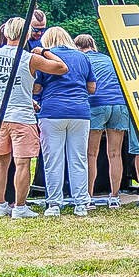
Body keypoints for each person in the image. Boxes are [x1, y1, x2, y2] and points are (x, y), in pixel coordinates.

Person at [0, 17, 63, 218]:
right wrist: (44, 51)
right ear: (26, 34)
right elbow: (61, 68)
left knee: (1, 160)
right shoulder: (28, 58)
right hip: (22, 115)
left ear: (6, 33)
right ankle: (20, 206)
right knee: (22, 163)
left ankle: (0, 205)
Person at [32, 25, 96, 214]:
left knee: (53, 160)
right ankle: (81, 204)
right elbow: (92, 87)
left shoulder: (46, 57)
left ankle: (53, 204)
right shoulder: (83, 57)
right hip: (80, 112)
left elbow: (36, 89)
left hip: (52, 112)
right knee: (78, 159)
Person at [82, 31, 139, 208]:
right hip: (119, 104)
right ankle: (114, 196)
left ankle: (89, 196)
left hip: (97, 104)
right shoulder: (109, 59)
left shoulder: (84, 59)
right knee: (114, 153)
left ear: (79, 48)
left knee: (91, 154)